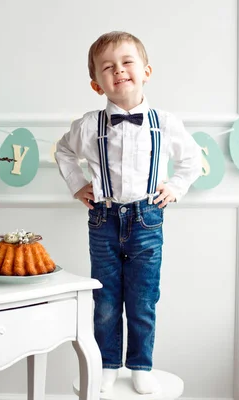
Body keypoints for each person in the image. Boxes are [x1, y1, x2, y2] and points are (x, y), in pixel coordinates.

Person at [55, 31, 202, 394]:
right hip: (103, 220)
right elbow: (63, 152)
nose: (118, 71)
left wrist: (176, 187)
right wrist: (77, 184)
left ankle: (140, 364)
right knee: (105, 299)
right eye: (108, 67)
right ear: (96, 83)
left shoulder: (164, 122)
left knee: (142, 298)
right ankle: (107, 363)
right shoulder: (89, 125)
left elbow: (192, 158)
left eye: (126, 63)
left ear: (146, 71)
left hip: (147, 220)